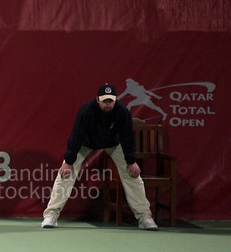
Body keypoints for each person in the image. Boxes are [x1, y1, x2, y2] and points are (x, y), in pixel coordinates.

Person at [41, 83, 158, 230]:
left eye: (111, 101)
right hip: (86, 143)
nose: (108, 104)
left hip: (113, 144)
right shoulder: (87, 110)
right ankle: (51, 215)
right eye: (105, 101)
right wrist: (69, 162)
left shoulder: (122, 111)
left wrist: (131, 161)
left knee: (132, 175)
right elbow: (76, 136)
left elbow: (127, 137)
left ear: (115, 99)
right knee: (65, 174)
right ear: (97, 99)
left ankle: (145, 217)